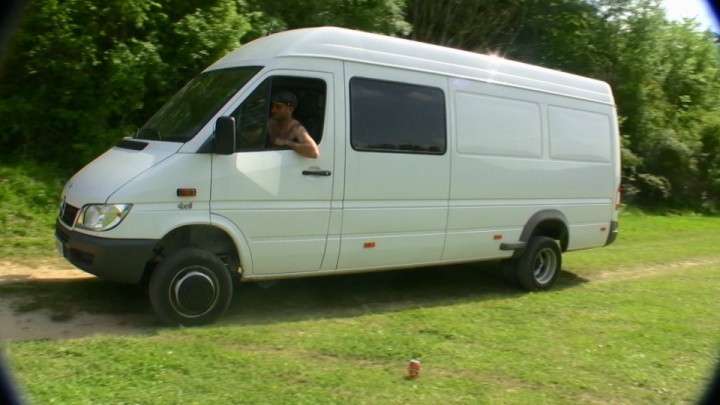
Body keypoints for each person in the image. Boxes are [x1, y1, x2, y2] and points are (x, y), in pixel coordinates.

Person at [267, 91, 319, 159]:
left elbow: (314, 152)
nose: (273, 110)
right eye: (273, 106)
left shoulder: (296, 128)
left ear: (290, 109)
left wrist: (287, 143)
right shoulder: (271, 123)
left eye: (278, 107)